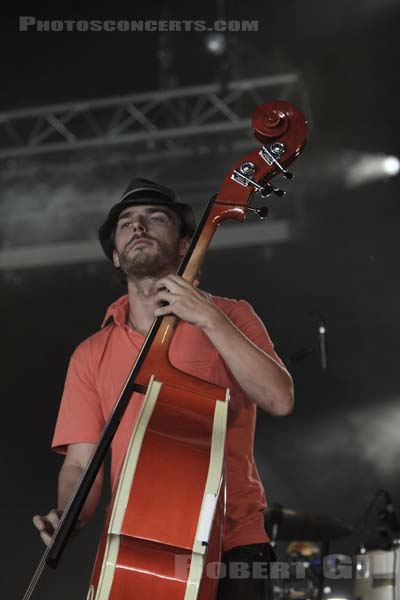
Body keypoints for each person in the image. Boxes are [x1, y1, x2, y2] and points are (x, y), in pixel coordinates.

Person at [33, 177, 294, 600]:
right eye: (126, 224)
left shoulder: (231, 315)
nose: (139, 227)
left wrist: (208, 318)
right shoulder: (90, 353)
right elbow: (81, 465)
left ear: (186, 244)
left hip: (231, 543)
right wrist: (67, 517)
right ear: (116, 257)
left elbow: (279, 398)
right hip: (134, 546)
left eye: (155, 219)